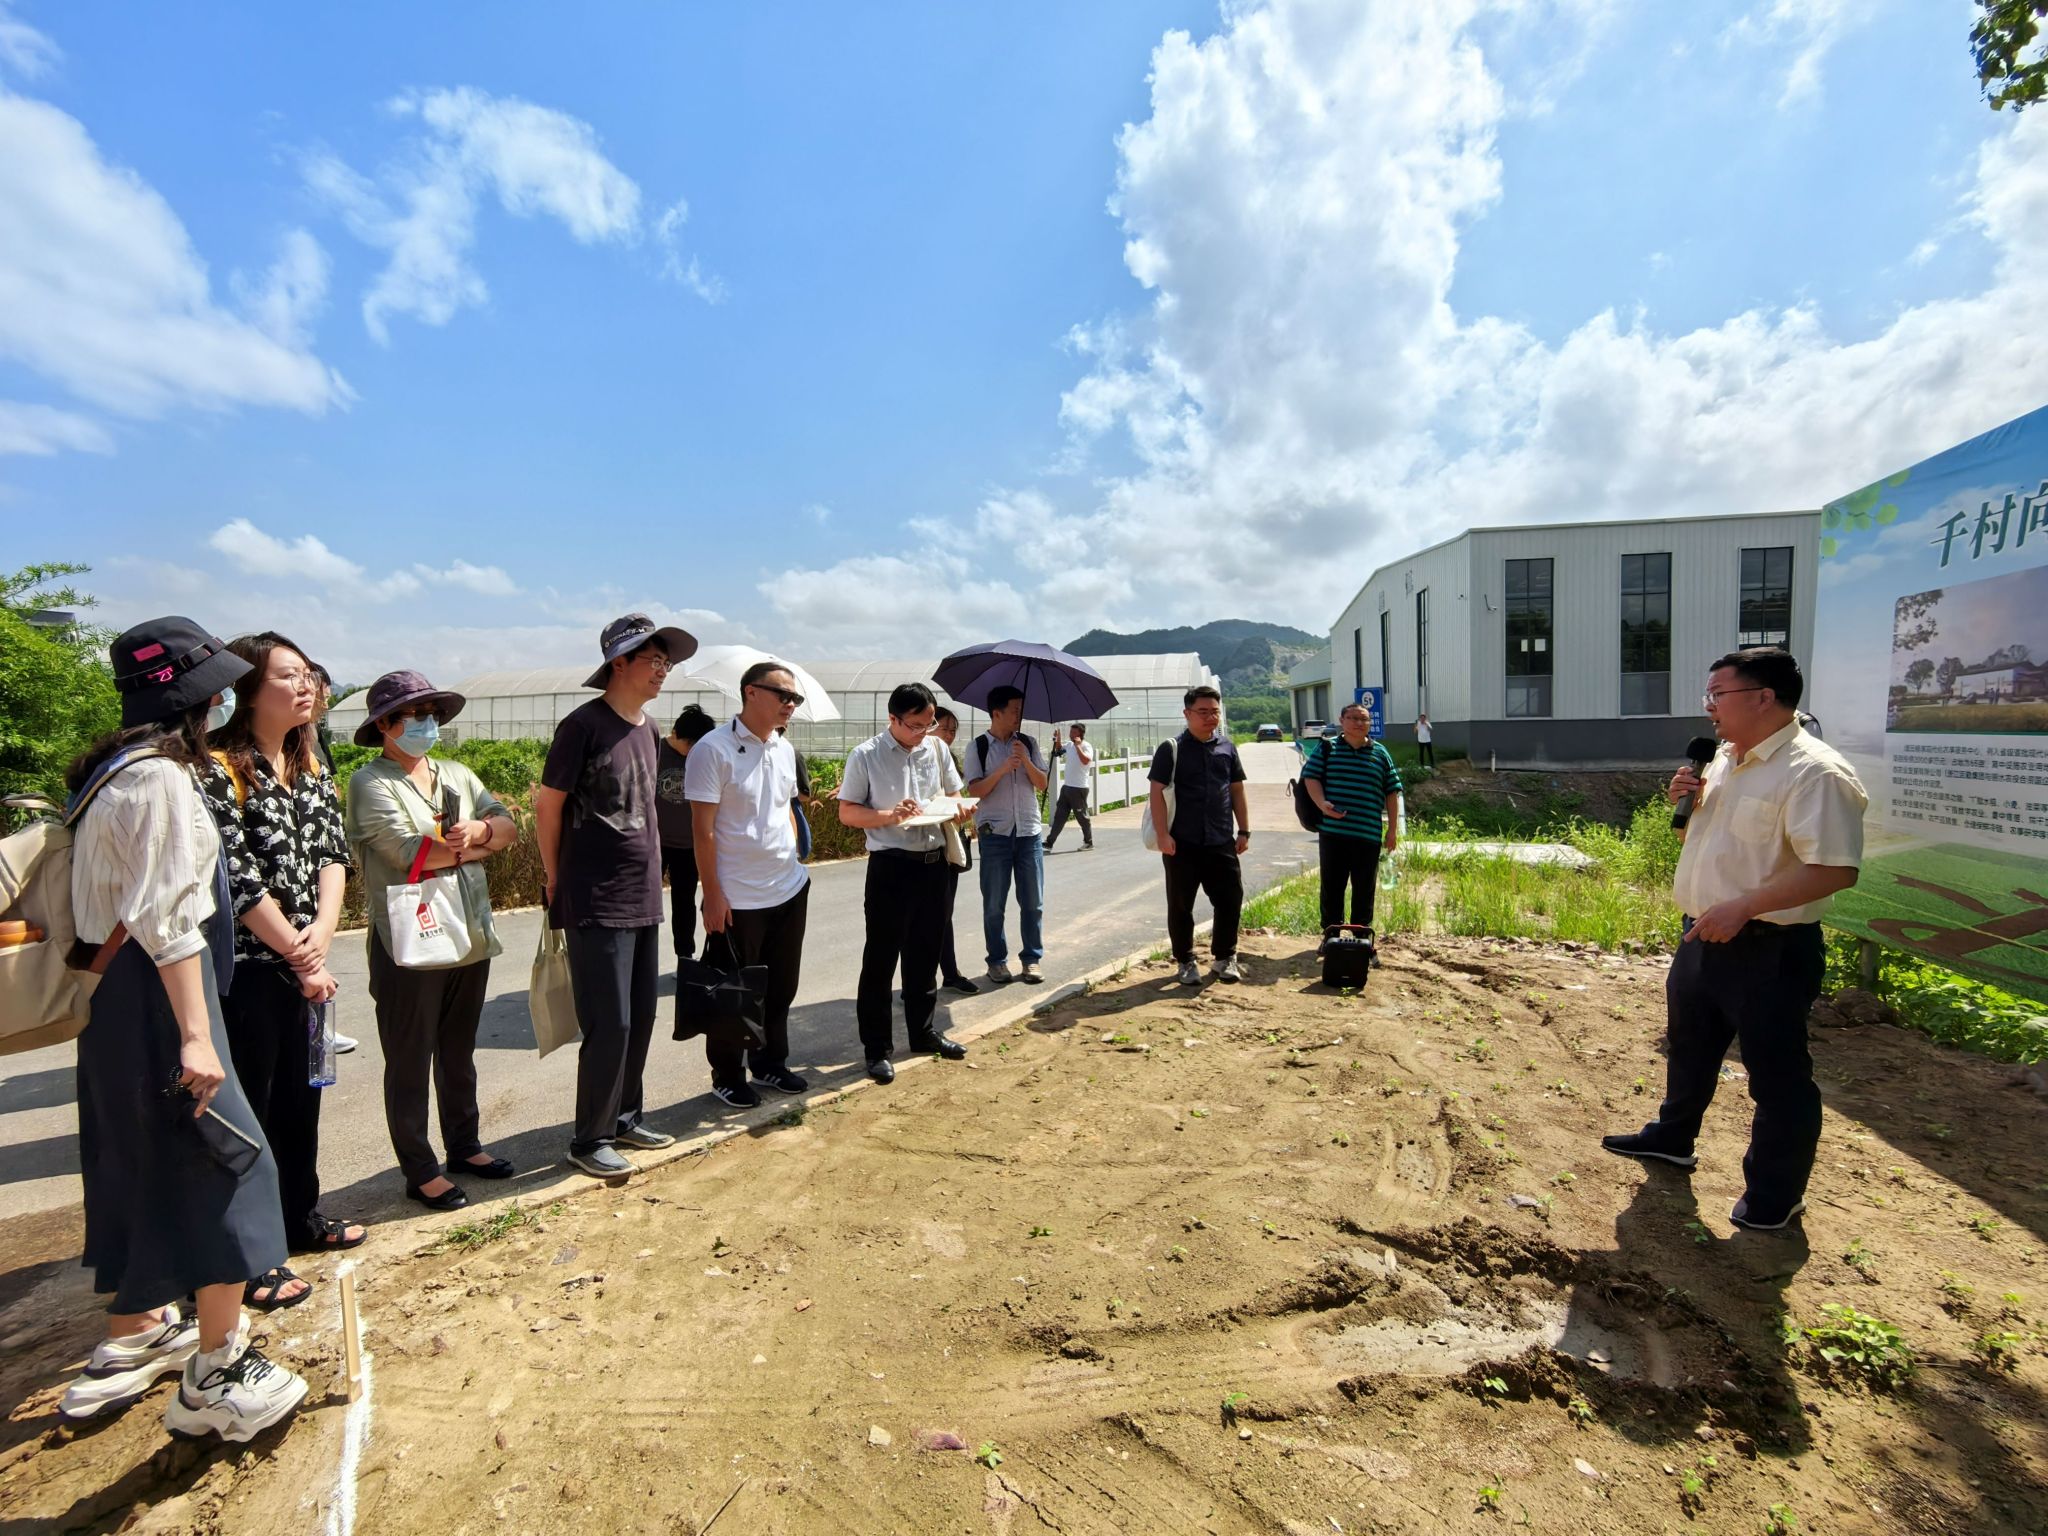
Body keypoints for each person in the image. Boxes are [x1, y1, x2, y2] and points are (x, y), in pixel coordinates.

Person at [57, 616, 309, 1441]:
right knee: (232, 1161)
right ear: (195, 697)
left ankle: (135, 1332)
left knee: (141, 1160)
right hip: (162, 999)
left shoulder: (110, 771)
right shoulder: (160, 780)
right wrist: (198, 1035)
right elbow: (169, 922)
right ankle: (218, 1373)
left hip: (117, 1004)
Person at [1602, 647, 1867, 1232]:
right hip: (1702, 933)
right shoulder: (1722, 759)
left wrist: (1744, 907)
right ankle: (1673, 1138)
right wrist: (1686, 805)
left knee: (1776, 1075)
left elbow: (1835, 869)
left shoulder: (1815, 773)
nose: (1708, 706)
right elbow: (1705, 844)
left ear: (1764, 697)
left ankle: (1776, 1195)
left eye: (1718, 694)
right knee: (1690, 1047)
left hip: (1769, 948)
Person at [200, 632, 363, 1286]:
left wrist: (322, 931)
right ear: (246, 688)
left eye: (308, 675)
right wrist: (301, 955)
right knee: (256, 1111)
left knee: (304, 1098)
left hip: (307, 965)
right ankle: (251, 1252)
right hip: (251, 971)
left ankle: (301, 1216)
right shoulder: (218, 769)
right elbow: (237, 882)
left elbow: (332, 854)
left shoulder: (311, 763)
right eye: (288, 675)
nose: (306, 686)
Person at [345, 671, 520, 1212]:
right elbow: (410, 853)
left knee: (458, 1051)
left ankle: (464, 1146)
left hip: (468, 932)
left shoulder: (457, 773)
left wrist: (483, 833)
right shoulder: (370, 783)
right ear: (384, 725)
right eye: (415, 716)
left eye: (432, 715)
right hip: (409, 941)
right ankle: (420, 1170)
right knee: (409, 1057)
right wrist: (479, 846)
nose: (428, 724)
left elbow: (507, 826)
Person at [535, 614, 696, 1179]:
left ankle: (625, 1117)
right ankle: (589, 1138)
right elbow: (548, 805)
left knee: (641, 1016)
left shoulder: (650, 730)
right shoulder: (582, 726)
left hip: (642, 892)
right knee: (611, 1023)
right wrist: (554, 877)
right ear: (618, 664)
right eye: (654, 661)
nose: (663, 671)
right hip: (594, 895)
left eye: (667, 663)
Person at [685, 660, 813, 1107]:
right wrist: (712, 894)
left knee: (781, 987)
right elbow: (702, 831)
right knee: (733, 992)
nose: (791, 704)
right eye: (783, 695)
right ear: (750, 693)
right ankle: (727, 1074)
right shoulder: (712, 749)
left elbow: (787, 810)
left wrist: (793, 857)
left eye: (795, 698)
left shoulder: (783, 748)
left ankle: (770, 1063)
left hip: (787, 888)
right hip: (737, 896)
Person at [838, 683, 975, 1083]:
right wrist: (890, 815)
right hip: (891, 866)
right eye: (915, 725)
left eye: (928, 723)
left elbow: (954, 793)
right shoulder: (866, 755)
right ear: (892, 719)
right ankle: (877, 1048)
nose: (923, 732)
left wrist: (959, 808)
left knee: (925, 953)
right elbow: (848, 812)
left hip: (934, 864)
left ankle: (923, 1032)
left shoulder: (936, 748)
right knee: (880, 960)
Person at [1148, 685, 1250, 986]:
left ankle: (1224, 957)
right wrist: (1162, 834)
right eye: (1203, 712)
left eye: (1215, 712)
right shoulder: (1172, 749)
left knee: (1230, 899)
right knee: (1181, 905)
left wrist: (1244, 829)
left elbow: (1236, 790)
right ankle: (1185, 960)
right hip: (1182, 842)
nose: (1210, 718)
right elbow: (1156, 793)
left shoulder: (1227, 748)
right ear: (1187, 714)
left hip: (1220, 839)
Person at [964, 685, 1048, 984]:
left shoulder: (1028, 743)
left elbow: (1043, 784)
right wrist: (1001, 769)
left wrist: (1025, 760)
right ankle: (997, 961)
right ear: (996, 713)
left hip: (1028, 833)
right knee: (994, 904)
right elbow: (975, 791)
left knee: (1033, 902)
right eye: (1015, 710)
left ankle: (1031, 959)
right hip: (995, 835)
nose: (1019, 716)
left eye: (1020, 710)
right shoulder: (978, 747)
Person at [1302, 701, 1402, 942]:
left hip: (1368, 835)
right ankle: (1331, 936)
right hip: (1333, 833)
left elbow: (1392, 792)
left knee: (1364, 889)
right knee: (1332, 887)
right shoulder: (1328, 748)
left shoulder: (1381, 753)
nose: (1359, 723)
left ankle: (1361, 938)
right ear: (1342, 721)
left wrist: (1392, 831)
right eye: (1353, 718)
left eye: (1364, 719)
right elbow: (1311, 777)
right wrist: (1322, 803)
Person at [658, 705, 719, 963]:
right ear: (676, 734)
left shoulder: (704, 756)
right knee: (646, 903)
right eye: (690, 745)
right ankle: (639, 958)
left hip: (688, 845)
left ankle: (685, 957)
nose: (694, 751)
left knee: (684, 903)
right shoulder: (654, 751)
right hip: (656, 844)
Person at [930, 708, 978, 995]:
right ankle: (919, 982)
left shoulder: (949, 760)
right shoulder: (916, 758)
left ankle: (949, 973)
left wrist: (968, 820)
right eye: (944, 728)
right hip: (923, 845)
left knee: (944, 912)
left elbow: (956, 798)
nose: (949, 735)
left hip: (949, 843)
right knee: (924, 917)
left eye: (952, 730)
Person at [1042, 722, 1096, 852]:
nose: (1071, 734)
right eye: (1071, 732)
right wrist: (1058, 738)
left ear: (1080, 734)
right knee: (1059, 816)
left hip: (1079, 788)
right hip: (1067, 787)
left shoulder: (1086, 746)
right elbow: (1059, 749)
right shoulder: (1070, 745)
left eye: (1074, 732)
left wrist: (1078, 746)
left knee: (1081, 817)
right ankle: (1049, 842)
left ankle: (1088, 842)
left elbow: (1086, 761)